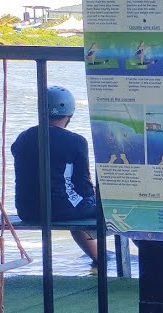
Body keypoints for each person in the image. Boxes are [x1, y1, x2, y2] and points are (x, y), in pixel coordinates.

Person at [10, 86, 101, 267]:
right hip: (61, 210)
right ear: (70, 114)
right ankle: (103, 259)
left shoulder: (23, 137)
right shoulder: (76, 141)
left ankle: (98, 257)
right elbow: (83, 184)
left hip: (27, 211)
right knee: (107, 208)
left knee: (75, 205)